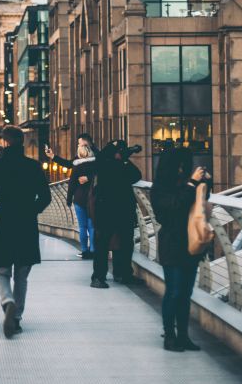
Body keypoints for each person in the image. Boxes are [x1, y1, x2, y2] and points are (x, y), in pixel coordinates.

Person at [0, 125, 51, 338]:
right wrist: (31, 211)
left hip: (5, 224)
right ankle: (17, 318)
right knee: (22, 275)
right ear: (22, 142)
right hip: (26, 225)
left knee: (2, 272)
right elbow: (45, 197)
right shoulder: (33, 167)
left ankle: (7, 301)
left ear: (4, 143)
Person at [151, 146, 210, 351]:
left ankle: (183, 336)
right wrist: (192, 183)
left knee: (185, 293)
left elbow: (199, 205)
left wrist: (204, 183)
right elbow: (174, 207)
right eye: (179, 166)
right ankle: (169, 336)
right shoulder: (159, 188)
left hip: (190, 244)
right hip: (172, 243)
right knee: (174, 291)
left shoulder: (185, 184)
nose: (182, 169)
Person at [90, 140, 143, 288]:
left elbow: (136, 175)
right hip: (109, 210)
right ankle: (99, 277)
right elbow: (133, 175)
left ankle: (122, 273)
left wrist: (124, 160)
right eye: (120, 152)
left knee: (125, 243)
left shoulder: (116, 163)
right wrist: (123, 161)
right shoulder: (104, 163)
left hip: (120, 210)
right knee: (104, 244)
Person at [67, 142, 96, 259]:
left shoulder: (77, 166)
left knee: (82, 227)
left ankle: (84, 250)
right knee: (92, 226)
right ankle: (93, 249)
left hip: (79, 198)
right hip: (92, 198)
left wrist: (69, 199)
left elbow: (72, 183)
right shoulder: (95, 165)